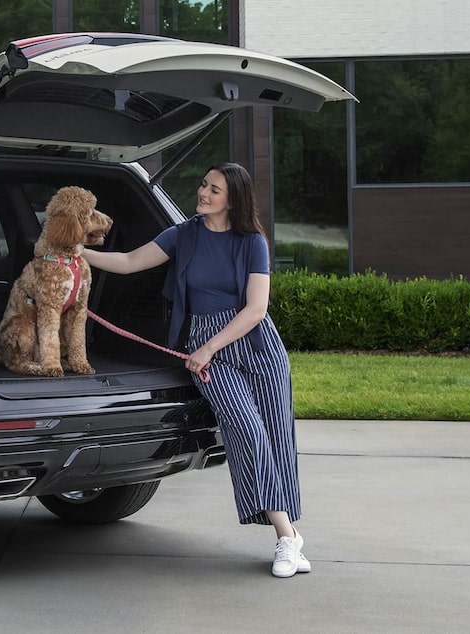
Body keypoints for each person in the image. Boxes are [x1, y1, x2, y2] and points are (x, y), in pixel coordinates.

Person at [81, 162, 310, 578]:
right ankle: (287, 537)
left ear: (233, 199)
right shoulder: (183, 234)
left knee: (277, 435)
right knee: (247, 430)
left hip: (256, 345)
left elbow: (257, 309)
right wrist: (77, 253)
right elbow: (131, 261)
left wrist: (208, 347)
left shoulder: (251, 241)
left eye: (215, 190)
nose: (203, 193)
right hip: (210, 350)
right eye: (204, 184)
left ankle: (289, 537)